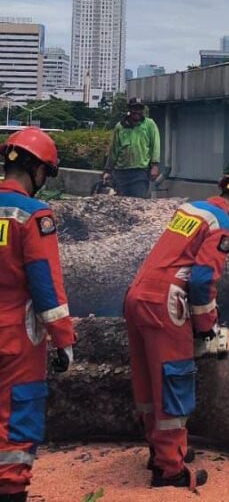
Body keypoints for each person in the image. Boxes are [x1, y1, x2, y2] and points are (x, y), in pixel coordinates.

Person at [123, 172, 229, 489]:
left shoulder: (192, 209)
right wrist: (208, 328)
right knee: (175, 381)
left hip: (137, 295)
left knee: (148, 380)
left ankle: (159, 450)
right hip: (166, 302)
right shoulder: (223, 225)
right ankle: (170, 469)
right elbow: (201, 282)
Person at [0, 128, 75, 502]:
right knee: (18, 411)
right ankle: (11, 489)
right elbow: (45, 284)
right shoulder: (33, 215)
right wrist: (63, 339)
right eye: (45, 171)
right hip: (15, 334)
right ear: (35, 168)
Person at [102, 98, 161, 198]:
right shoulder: (120, 127)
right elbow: (114, 150)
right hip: (121, 172)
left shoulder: (149, 124)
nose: (137, 111)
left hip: (140, 171)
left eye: (139, 109)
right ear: (129, 109)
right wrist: (107, 170)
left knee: (138, 202)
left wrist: (155, 165)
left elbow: (155, 145)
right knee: (121, 204)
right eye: (134, 108)